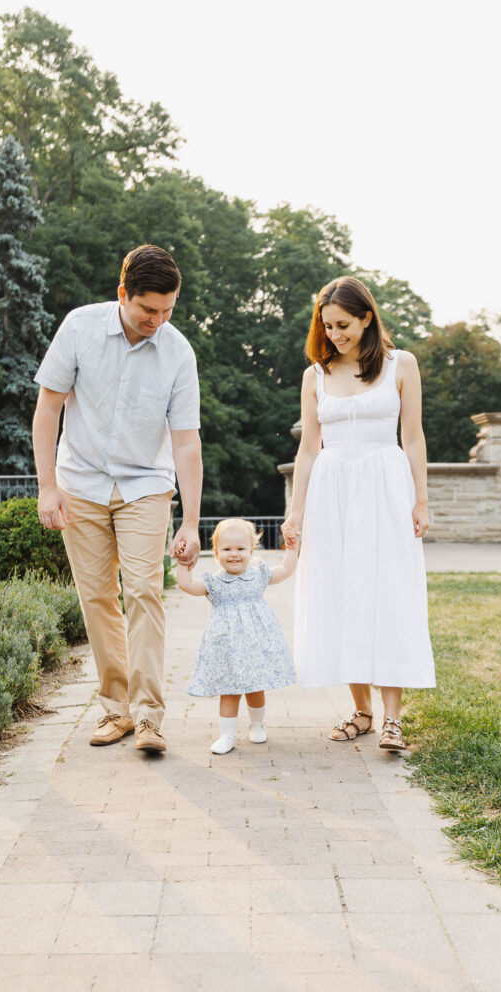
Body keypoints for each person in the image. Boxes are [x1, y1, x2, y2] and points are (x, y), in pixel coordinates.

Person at [32, 244, 202, 754]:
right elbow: (48, 410)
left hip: (145, 484)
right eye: (149, 309)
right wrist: (46, 486)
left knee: (145, 592)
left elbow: (187, 441)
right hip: (79, 483)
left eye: (168, 310)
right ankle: (116, 710)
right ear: (122, 293)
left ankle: (150, 717)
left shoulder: (178, 352)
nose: (158, 320)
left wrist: (191, 523)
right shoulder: (80, 328)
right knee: (99, 597)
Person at [281, 276, 435, 751]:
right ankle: (361, 711)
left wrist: (421, 498)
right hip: (333, 492)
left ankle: (393, 718)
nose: (335, 334)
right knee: (340, 593)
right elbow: (309, 448)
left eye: (343, 324)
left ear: (367, 317)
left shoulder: (400, 365)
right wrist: (295, 513)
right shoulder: (315, 375)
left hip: (385, 488)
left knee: (388, 593)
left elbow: (413, 437)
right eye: (327, 326)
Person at [176, 518, 298, 755]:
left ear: (252, 551)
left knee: (255, 688)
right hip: (227, 647)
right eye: (227, 549)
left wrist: (292, 547)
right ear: (216, 552)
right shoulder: (214, 582)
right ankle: (227, 735)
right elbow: (187, 585)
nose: (234, 555)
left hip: (256, 644)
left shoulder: (258, 575)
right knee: (229, 691)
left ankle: (257, 724)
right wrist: (183, 563)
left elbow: (285, 569)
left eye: (241, 549)